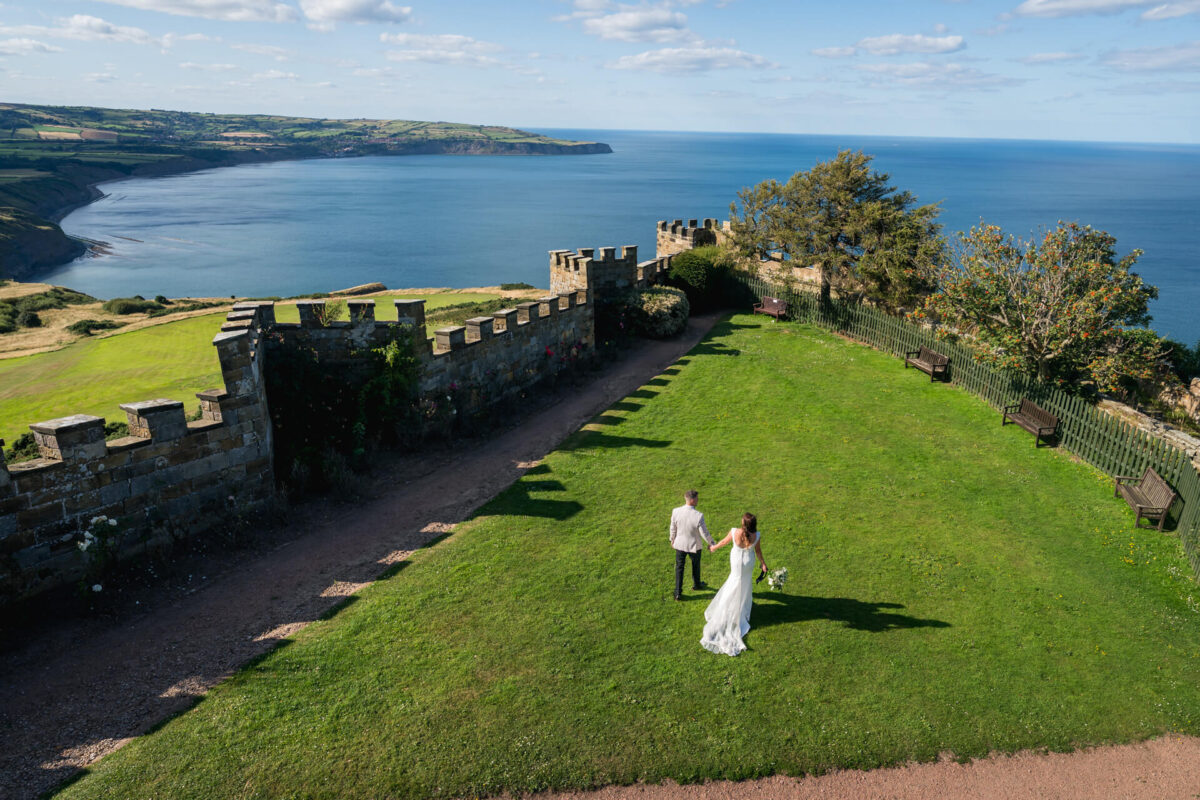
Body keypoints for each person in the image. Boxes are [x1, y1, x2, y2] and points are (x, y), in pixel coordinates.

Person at [700, 513, 767, 656]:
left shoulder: (735, 532)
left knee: (733, 582)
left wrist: (713, 548)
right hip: (748, 563)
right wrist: (763, 564)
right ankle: (741, 609)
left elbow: (724, 542)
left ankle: (727, 607)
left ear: (744, 523)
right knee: (745, 585)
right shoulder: (757, 535)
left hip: (737, 562)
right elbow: (758, 551)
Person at [669, 489, 714, 601]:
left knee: (679, 568)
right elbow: (704, 533)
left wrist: (672, 539)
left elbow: (673, 527)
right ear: (692, 500)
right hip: (694, 546)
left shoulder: (676, 511)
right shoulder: (698, 516)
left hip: (679, 544)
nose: (698, 500)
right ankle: (697, 584)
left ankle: (678, 592)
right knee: (696, 565)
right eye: (697, 499)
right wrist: (711, 543)